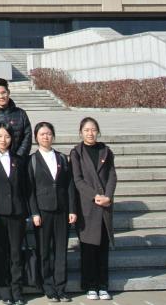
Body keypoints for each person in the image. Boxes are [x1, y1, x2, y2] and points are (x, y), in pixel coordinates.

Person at [29, 122, 77, 303]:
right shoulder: (32, 160)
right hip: (42, 211)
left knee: (60, 250)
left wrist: (72, 209)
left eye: (48, 133)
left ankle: (61, 287)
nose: (45, 137)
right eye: (42, 134)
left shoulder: (62, 158)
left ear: (53, 136)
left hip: (62, 210)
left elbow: (70, 185)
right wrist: (34, 212)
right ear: (36, 137)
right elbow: (30, 190)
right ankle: (48, 287)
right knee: (44, 251)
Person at [70, 117, 117, 302]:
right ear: (80, 132)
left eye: (93, 129)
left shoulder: (106, 151)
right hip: (87, 207)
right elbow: (77, 179)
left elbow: (112, 175)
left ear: (98, 132)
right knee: (88, 249)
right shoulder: (76, 153)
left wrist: (108, 196)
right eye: (86, 130)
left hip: (104, 206)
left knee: (103, 249)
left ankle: (103, 285)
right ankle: (90, 285)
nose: (90, 133)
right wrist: (94, 196)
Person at [0, 124, 28, 305]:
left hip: (17, 212)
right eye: (0, 136)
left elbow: (25, 187)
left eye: (7, 136)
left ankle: (17, 290)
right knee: (1, 253)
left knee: (16, 253)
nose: (3, 140)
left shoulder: (18, 160)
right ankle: (4, 290)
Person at [0, 79, 32, 157]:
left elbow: (27, 137)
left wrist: (18, 157)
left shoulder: (21, 113)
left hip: (19, 159)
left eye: (3, 93)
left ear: (8, 92)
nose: (1, 96)